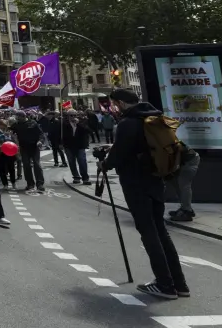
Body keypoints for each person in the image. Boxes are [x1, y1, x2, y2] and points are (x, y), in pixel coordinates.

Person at [100, 88, 188, 300]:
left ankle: (165, 284)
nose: (114, 108)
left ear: (120, 103)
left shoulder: (127, 123)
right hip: (156, 179)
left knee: (148, 231)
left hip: (136, 183)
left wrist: (105, 162)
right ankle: (179, 283)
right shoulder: (153, 118)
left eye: (114, 104)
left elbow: (118, 156)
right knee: (161, 231)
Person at [12, 112, 45, 192]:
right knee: (26, 165)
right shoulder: (16, 125)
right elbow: (10, 131)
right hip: (24, 148)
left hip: (34, 146)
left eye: (19, 117)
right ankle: (30, 184)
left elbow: (41, 134)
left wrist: (40, 141)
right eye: (17, 117)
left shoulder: (33, 123)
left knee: (36, 164)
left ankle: (40, 184)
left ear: (24, 117)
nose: (18, 119)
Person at [168, 142, 200, 222]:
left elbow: (179, 148)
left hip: (189, 161)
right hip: (186, 161)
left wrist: (176, 165)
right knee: (178, 185)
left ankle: (187, 211)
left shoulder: (163, 138)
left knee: (184, 185)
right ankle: (184, 208)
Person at [61, 110, 91, 185]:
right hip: (69, 145)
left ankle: (85, 178)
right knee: (71, 162)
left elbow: (88, 131)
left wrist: (79, 124)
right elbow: (60, 134)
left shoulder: (81, 122)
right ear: (68, 116)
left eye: (74, 115)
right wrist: (60, 144)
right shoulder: (64, 124)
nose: (73, 117)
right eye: (71, 115)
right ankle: (76, 177)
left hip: (80, 145)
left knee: (82, 161)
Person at [0, 118, 17, 190]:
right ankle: (5, 184)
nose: (4, 127)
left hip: (10, 152)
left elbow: (13, 140)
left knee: (11, 168)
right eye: (3, 125)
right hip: (1, 152)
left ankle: (13, 183)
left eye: (5, 125)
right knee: (2, 169)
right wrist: (3, 135)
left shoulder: (9, 131)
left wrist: (12, 137)